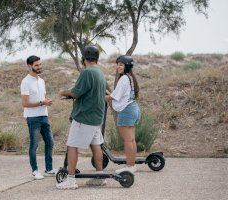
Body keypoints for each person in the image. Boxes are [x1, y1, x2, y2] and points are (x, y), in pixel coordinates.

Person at [56, 46, 107, 189]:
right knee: (96, 146)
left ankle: (71, 180)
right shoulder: (100, 73)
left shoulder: (87, 72)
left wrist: (62, 92)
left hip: (84, 117)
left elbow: (76, 92)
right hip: (97, 117)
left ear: (84, 59)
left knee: (72, 146)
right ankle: (100, 176)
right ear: (97, 58)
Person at [20, 55, 58, 180]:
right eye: (36, 65)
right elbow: (25, 103)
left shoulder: (41, 81)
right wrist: (42, 102)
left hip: (44, 116)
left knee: (50, 142)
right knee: (34, 145)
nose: (39, 67)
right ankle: (35, 170)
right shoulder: (25, 82)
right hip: (33, 118)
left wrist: (46, 102)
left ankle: (49, 169)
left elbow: (40, 99)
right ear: (29, 66)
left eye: (40, 64)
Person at [105, 55, 141, 174]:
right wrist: (109, 94)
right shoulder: (130, 78)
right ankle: (132, 165)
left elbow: (113, 97)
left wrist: (99, 97)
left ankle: (129, 166)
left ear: (126, 66)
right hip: (133, 108)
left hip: (126, 111)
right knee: (131, 140)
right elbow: (119, 95)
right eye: (118, 64)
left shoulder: (123, 79)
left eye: (121, 64)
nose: (118, 67)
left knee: (127, 141)